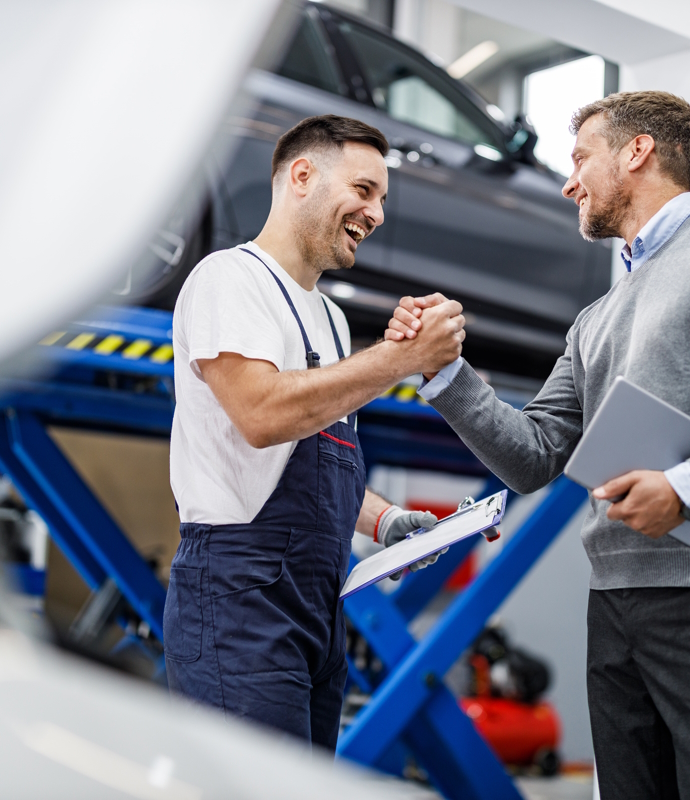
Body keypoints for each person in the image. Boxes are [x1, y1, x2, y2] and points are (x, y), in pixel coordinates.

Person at [386, 91, 690, 798]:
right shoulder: (594, 319)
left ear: (639, 151)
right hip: (615, 600)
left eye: (580, 158)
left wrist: (689, 487)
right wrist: (444, 374)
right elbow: (531, 456)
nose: (569, 180)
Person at [165, 115, 465, 750]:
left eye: (382, 198)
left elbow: (314, 456)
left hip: (317, 602)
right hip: (238, 597)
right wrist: (399, 358)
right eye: (364, 190)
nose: (376, 212)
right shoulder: (231, 278)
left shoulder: (328, 318)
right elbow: (264, 416)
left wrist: (385, 523)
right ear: (302, 176)